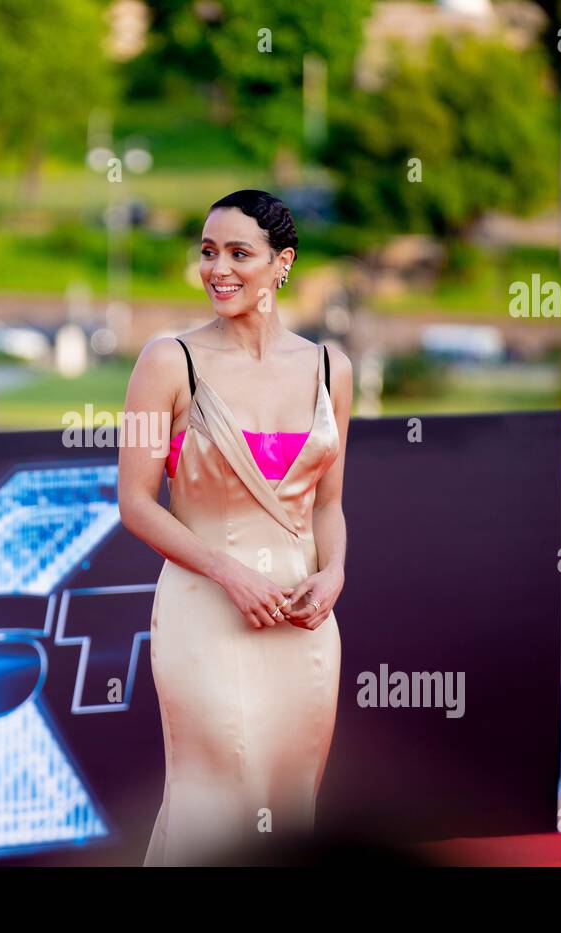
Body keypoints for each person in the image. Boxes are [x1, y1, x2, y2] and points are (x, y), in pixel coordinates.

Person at [117, 189, 353, 865]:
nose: (218, 269)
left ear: (282, 264)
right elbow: (134, 502)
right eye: (208, 251)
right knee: (214, 799)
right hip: (204, 613)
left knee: (290, 798)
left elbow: (330, 505)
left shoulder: (331, 368)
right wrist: (227, 572)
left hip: (303, 626)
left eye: (239, 253)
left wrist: (333, 573)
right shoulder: (164, 362)